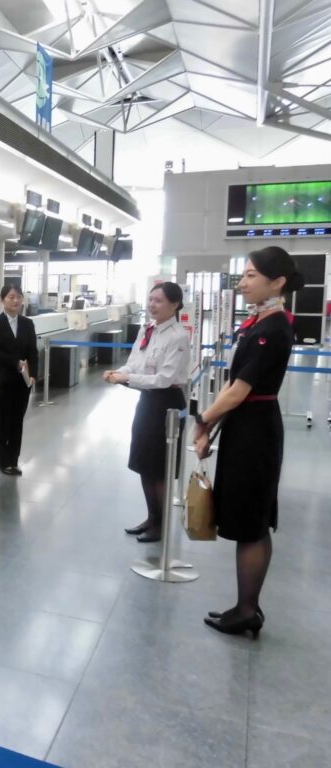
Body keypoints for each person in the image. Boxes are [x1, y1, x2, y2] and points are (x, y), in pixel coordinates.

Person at [195, 247, 302, 638]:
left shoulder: (274, 329)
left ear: (277, 282)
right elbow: (232, 385)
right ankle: (245, 606)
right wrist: (210, 423)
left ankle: (247, 610)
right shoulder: (259, 323)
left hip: (256, 433)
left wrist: (203, 421)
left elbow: (240, 391)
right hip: (245, 426)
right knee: (248, 519)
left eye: (251, 275)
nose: (242, 283)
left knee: (252, 523)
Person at [104, 283, 190, 543]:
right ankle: (152, 518)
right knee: (144, 464)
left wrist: (127, 379)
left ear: (174, 305)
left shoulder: (178, 336)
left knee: (159, 467)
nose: (152, 305)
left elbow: (164, 379)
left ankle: (160, 525)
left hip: (167, 403)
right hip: (147, 401)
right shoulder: (147, 329)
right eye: (150, 299)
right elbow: (134, 364)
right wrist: (119, 373)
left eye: (159, 301)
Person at [0, 284, 38, 476]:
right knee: (4, 420)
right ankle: (3, 460)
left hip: (23, 381)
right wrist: (14, 362)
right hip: (4, 379)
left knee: (17, 421)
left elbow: (33, 351)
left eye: (18, 297)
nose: (16, 300)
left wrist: (33, 374)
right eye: (11, 297)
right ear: (2, 300)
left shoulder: (27, 323)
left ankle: (13, 460)